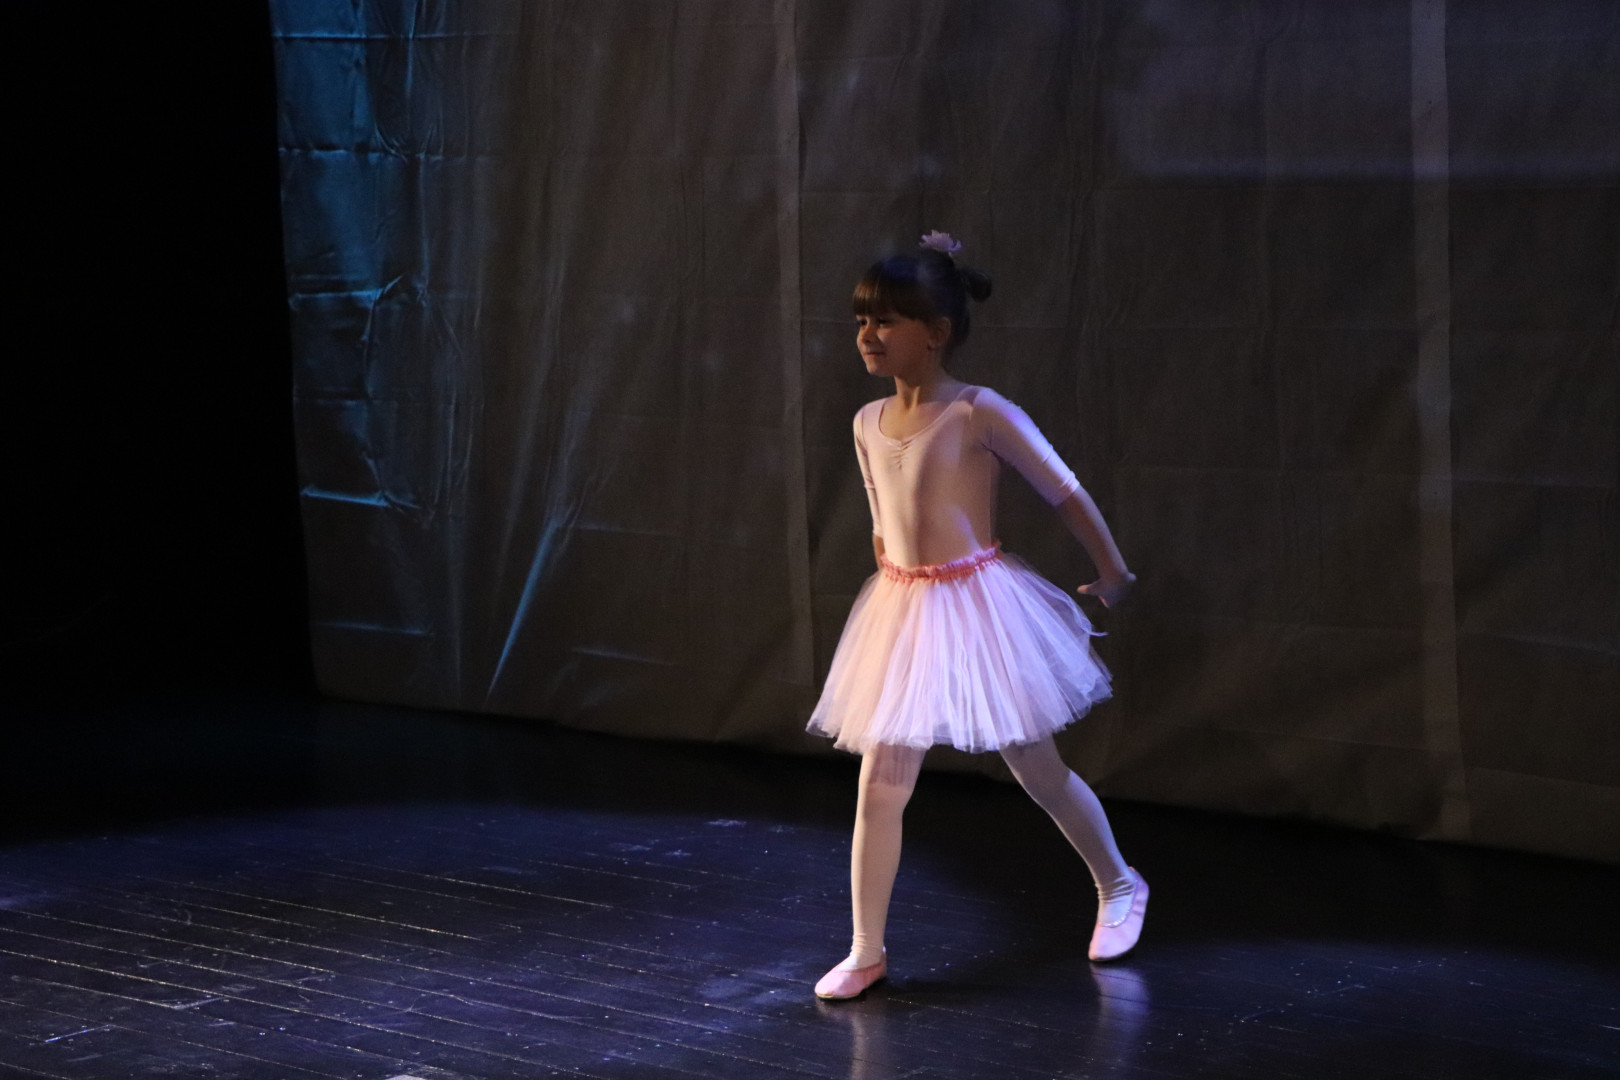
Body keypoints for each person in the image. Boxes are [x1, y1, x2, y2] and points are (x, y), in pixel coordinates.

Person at [806, 231, 1146, 1001]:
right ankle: (866, 949)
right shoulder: (866, 421)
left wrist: (1113, 570)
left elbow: (1063, 489)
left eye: (886, 320)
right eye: (862, 320)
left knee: (1037, 767)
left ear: (936, 332)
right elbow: (881, 519)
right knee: (880, 785)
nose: (868, 334)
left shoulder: (976, 412)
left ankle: (1121, 883)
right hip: (904, 607)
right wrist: (892, 581)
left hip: (978, 607)